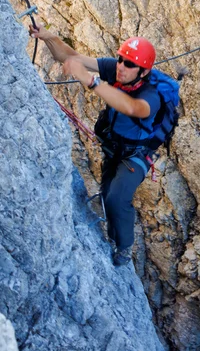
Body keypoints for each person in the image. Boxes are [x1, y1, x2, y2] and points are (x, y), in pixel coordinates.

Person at [30, 24, 160, 267]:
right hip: (113, 150)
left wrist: (92, 82)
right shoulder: (118, 70)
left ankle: (124, 249)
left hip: (136, 157)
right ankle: (113, 236)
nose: (121, 66)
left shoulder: (151, 94)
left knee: (117, 199)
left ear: (143, 72)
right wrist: (49, 36)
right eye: (120, 59)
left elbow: (132, 108)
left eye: (129, 64)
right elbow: (71, 57)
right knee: (108, 195)